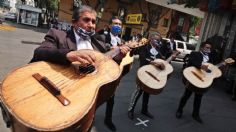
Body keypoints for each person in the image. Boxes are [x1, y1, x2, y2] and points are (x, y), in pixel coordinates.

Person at [30, 5, 130, 131]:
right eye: (86, 20)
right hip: (59, 90)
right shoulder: (57, 34)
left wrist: (119, 57)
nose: (91, 25)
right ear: (74, 22)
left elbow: (108, 64)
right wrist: (69, 54)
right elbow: (40, 52)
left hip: (86, 97)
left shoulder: (99, 42)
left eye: (93, 21)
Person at [127, 32, 166, 120]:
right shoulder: (144, 47)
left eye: (159, 40)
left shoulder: (158, 51)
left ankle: (144, 110)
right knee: (138, 92)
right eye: (156, 39)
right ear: (151, 39)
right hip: (143, 73)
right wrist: (154, 62)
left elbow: (161, 61)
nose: (158, 41)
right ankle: (130, 110)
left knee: (147, 93)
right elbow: (143, 58)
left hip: (153, 75)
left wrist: (164, 64)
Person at [97, 16, 125, 131]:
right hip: (101, 72)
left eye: (119, 24)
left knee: (111, 98)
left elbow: (121, 59)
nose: (118, 26)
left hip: (114, 73)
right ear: (109, 26)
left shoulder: (121, 41)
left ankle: (108, 120)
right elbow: (98, 52)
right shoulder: (103, 37)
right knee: (96, 97)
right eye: (115, 23)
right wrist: (111, 48)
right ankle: (88, 118)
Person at [175, 41, 213, 123]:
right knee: (186, 95)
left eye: (209, 48)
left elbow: (212, 68)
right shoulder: (195, 53)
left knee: (198, 98)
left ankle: (195, 114)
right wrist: (201, 66)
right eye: (207, 47)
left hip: (203, 79)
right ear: (202, 48)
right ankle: (179, 110)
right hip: (193, 78)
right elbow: (192, 63)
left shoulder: (210, 57)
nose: (208, 49)